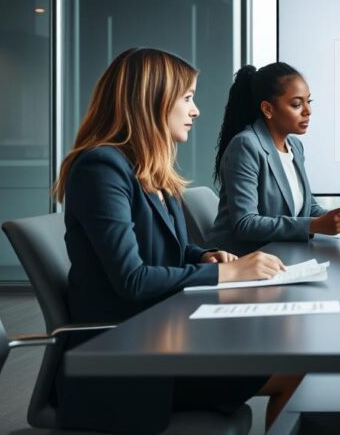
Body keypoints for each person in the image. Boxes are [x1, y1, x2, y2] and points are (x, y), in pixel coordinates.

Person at [53, 48, 301, 434]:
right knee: (291, 371)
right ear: (149, 102)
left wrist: (204, 255)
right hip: (127, 359)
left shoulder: (147, 171)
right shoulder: (101, 168)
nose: (196, 110)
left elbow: (166, 249)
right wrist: (228, 275)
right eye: (187, 98)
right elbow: (132, 278)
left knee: (292, 364)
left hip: (161, 338)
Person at [210, 62, 340, 255]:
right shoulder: (246, 146)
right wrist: (315, 225)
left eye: (308, 102)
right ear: (268, 109)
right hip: (242, 260)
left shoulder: (295, 146)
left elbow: (307, 208)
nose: (307, 111)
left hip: (280, 254)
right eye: (296, 104)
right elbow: (246, 223)